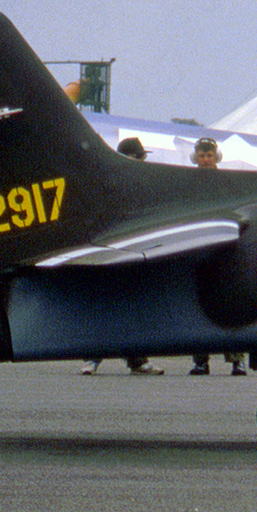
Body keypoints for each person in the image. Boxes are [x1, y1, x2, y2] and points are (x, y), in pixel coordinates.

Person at [82, 139, 165, 376]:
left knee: (134, 308)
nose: (143, 162)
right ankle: (92, 358)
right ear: (128, 157)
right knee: (105, 307)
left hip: (135, 252)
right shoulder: (107, 183)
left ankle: (137, 360)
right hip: (111, 253)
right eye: (139, 157)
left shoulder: (142, 184)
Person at [190, 137, 247, 377]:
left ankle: (237, 360)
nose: (205, 159)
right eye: (201, 156)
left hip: (223, 248)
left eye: (209, 155)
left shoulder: (227, 182)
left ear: (216, 157)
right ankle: (201, 360)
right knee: (197, 305)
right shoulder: (188, 183)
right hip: (198, 247)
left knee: (231, 303)